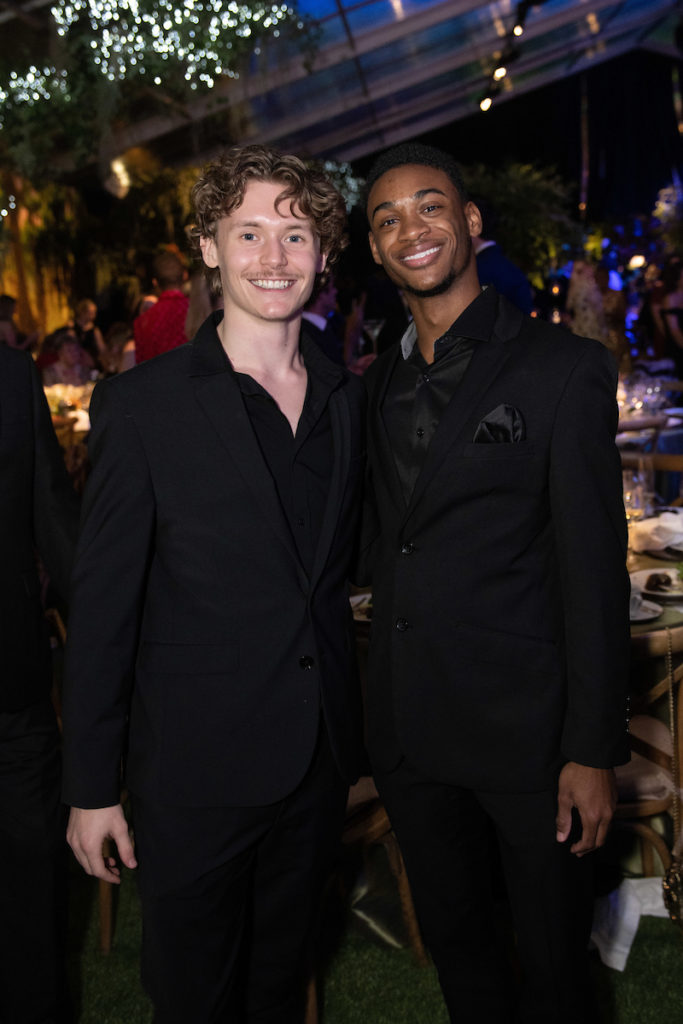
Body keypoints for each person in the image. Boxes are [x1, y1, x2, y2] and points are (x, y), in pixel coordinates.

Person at [62, 144, 366, 1024]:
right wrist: (92, 786)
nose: (274, 258)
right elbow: (105, 608)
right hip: (193, 771)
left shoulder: (346, 399)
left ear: (322, 253)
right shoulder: (145, 405)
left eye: (297, 234)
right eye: (249, 233)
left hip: (315, 763)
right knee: (193, 999)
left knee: (278, 985)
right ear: (207, 248)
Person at [358, 142, 630, 1024]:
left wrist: (591, 748)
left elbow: (594, 572)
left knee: (553, 967)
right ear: (373, 249)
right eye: (388, 218)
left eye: (430, 206)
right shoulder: (374, 384)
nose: (411, 229)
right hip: (410, 731)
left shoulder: (562, 370)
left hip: (529, 738)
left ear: (470, 222)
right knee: (463, 957)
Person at [0, 346, 79, 1024]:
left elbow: (51, 514)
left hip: (14, 686)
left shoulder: (10, 373)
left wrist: (114, 634)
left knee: (32, 877)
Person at [133, 249, 190, 363]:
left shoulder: (142, 322)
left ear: (155, 282)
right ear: (184, 276)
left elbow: (142, 366)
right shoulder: (198, 311)